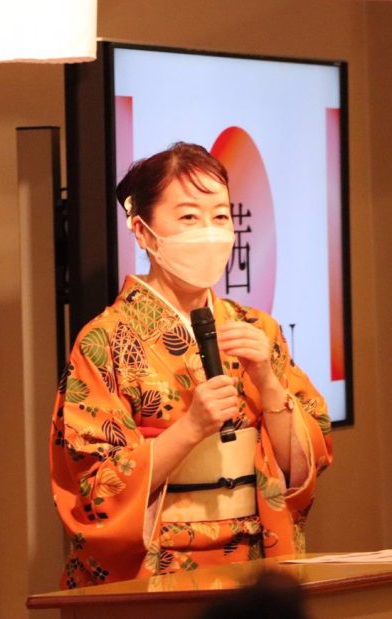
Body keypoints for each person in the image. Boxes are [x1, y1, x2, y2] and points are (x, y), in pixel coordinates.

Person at [49, 142, 333, 588]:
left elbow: (307, 464)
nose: (209, 232)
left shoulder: (257, 329)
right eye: (188, 217)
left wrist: (267, 383)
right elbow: (92, 488)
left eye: (220, 216)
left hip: (253, 563)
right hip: (159, 568)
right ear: (142, 231)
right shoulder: (104, 342)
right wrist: (191, 428)